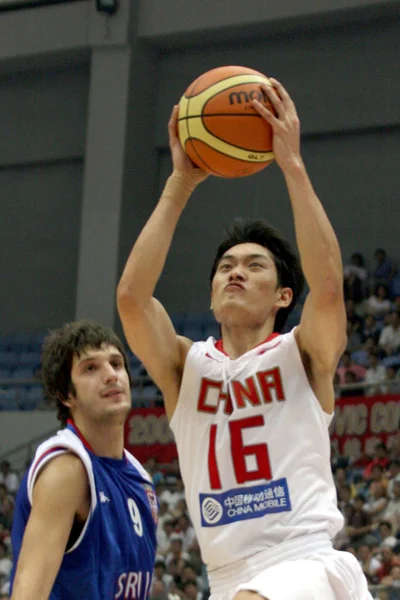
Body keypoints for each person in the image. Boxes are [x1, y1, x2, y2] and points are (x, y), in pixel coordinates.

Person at [117, 79, 372, 599]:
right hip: (229, 577)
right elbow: (131, 300)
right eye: (225, 267)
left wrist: (292, 166)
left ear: (282, 296)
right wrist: (180, 185)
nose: (235, 273)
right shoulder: (186, 366)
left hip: (304, 561)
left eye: (254, 266)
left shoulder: (302, 353)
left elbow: (326, 290)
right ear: (211, 293)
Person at [10, 321, 158, 599]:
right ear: (66, 395)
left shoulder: (141, 478)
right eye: (91, 368)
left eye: (116, 364)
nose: (111, 375)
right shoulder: (67, 468)